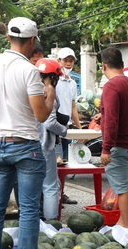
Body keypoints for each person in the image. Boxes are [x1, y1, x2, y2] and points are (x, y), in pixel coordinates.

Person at [0, 17, 55, 249]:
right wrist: (49, 95)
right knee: (28, 209)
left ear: (8, 38)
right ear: (32, 41)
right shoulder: (29, 71)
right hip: (26, 145)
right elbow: (41, 115)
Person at [98, 47, 128, 229]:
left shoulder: (111, 86)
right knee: (127, 187)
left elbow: (111, 119)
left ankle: (127, 229)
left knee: (123, 189)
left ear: (104, 66)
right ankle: (121, 224)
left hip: (121, 146)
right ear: (122, 64)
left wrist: (106, 148)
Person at [35, 58, 68, 220]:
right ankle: (51, 222)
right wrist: (64, 131)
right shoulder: (48, 92)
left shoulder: (30, 90)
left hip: (28, 144)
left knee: (33, 186)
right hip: (44, 146)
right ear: (52, 77)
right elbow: (49, 122)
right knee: (50, 186)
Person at [55, 47, 82, 205]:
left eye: (71, 60)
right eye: (66, 60)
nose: (69, 63)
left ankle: (61, 194)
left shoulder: (72, 83)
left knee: (64, 163)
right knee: (57, 162)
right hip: (55, 127)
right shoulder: (54, 80)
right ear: (59, 61)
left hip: (67, 128)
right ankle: (55, 197)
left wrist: (79, 130)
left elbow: (73, 107)